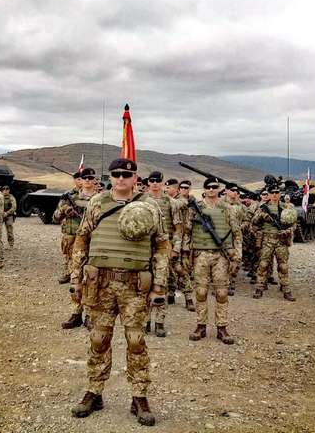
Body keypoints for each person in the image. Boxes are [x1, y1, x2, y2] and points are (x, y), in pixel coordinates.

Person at [70, 158, 168, 426]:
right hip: (100, 284)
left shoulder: (150, 206)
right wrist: (76, 278)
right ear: (110, 177)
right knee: (98, 338)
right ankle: (94, 392)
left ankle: (139, 397)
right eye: (116, 174)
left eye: (127, 174)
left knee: (136, 340)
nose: (121, 178)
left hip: (134, 286)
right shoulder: (97, 203)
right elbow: (82, 239)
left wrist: (159, 285)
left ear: (136, 178)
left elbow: (161, 246)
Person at [183, 177, 241, 344]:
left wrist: (236, 258)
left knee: (221, 293)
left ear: (219, 189)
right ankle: (200, 326)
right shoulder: (195, 209)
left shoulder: (228, 209)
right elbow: (187, 232)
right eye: (208, 187)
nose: (211, 189)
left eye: (214, 187)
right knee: (201, 292)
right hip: (200, 255)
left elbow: (237, 234)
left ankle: (222, 328)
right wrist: (185, 254)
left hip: (221, 256)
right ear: (204, 189)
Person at [147, 170, 192, 338]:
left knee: (162, 285)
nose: (155, 183)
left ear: (162, 182)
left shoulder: (170, 202)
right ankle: (146, 321)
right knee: (144, 284)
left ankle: (159, 322)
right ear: (148, 183)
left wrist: (176, 248)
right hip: (145, 249)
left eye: (157, 181)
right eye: (152, 180)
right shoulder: (141, 200)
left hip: (164, 249)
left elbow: (178, 227)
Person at [54, 167, 98, 329]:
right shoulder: (69, 198)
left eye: (90, 178)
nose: (87, 180)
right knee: (75, 278)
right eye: (84, 178)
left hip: (95, 244)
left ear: (95, 180)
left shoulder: (101, 199)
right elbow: (55, 217)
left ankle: (90, 315)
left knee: (93, 279)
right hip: (76, 244)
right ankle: (76, 313)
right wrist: (64, 210)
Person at [252, 187, 297, 301]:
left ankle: (286, 289)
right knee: (263, 265)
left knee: (283, 266)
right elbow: (254, 222)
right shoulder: (263, 208)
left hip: (281, 240)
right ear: (269, 194)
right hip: (267, 240)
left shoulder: (285, 207)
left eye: (277, 192)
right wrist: (261, 216)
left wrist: (287, 231)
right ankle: (259, 288)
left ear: (280, 194)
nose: (274, 195)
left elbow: (293, 224)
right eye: (272, 193)